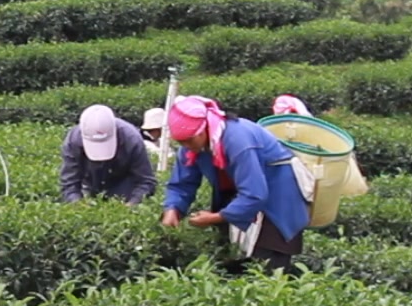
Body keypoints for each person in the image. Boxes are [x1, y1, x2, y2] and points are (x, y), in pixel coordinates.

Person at [161, 95, 313, 275]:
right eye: (181, 142)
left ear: (204, 129)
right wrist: (173, 208)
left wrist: (215, 218)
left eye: (189, 140)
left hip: (278, 199)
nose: (186, 146)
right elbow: (181, 184)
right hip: (237, 193)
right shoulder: (191, 145)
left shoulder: (239, 140)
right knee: (229, 262)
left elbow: (255, 193)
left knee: (268, 265)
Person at [59, 104, 156, 205]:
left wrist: (132, 204)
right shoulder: (74, 141)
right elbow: (69, 183)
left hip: (124, 189)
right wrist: (78, 204)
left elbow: (146, 181)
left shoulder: (131, 139)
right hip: (90, 186)